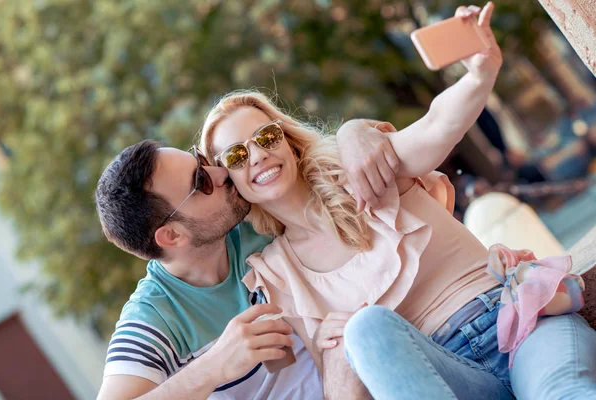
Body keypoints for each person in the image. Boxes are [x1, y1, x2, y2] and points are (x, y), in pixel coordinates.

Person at [201, 3, 596, 399]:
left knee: (565, 392)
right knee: (364, 328)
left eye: (266, 137)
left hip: (519, 320)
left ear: (286, 140)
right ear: (230, 180)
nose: (257, 155)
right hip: (441, 375)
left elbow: (437, 126)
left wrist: (480, 73)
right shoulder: (277, 273)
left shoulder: (360, 165)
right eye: (236, 156)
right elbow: (344, 385)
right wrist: (332, 344)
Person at [94, 120, 399, 399]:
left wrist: (353, 132)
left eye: (202, 161)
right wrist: (214, 366)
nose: (221, 172)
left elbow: (316, 160)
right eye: (201, 181)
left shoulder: (254, 217)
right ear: (172, 236)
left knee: (351, 336)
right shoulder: (154, 318)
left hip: (370, 372)